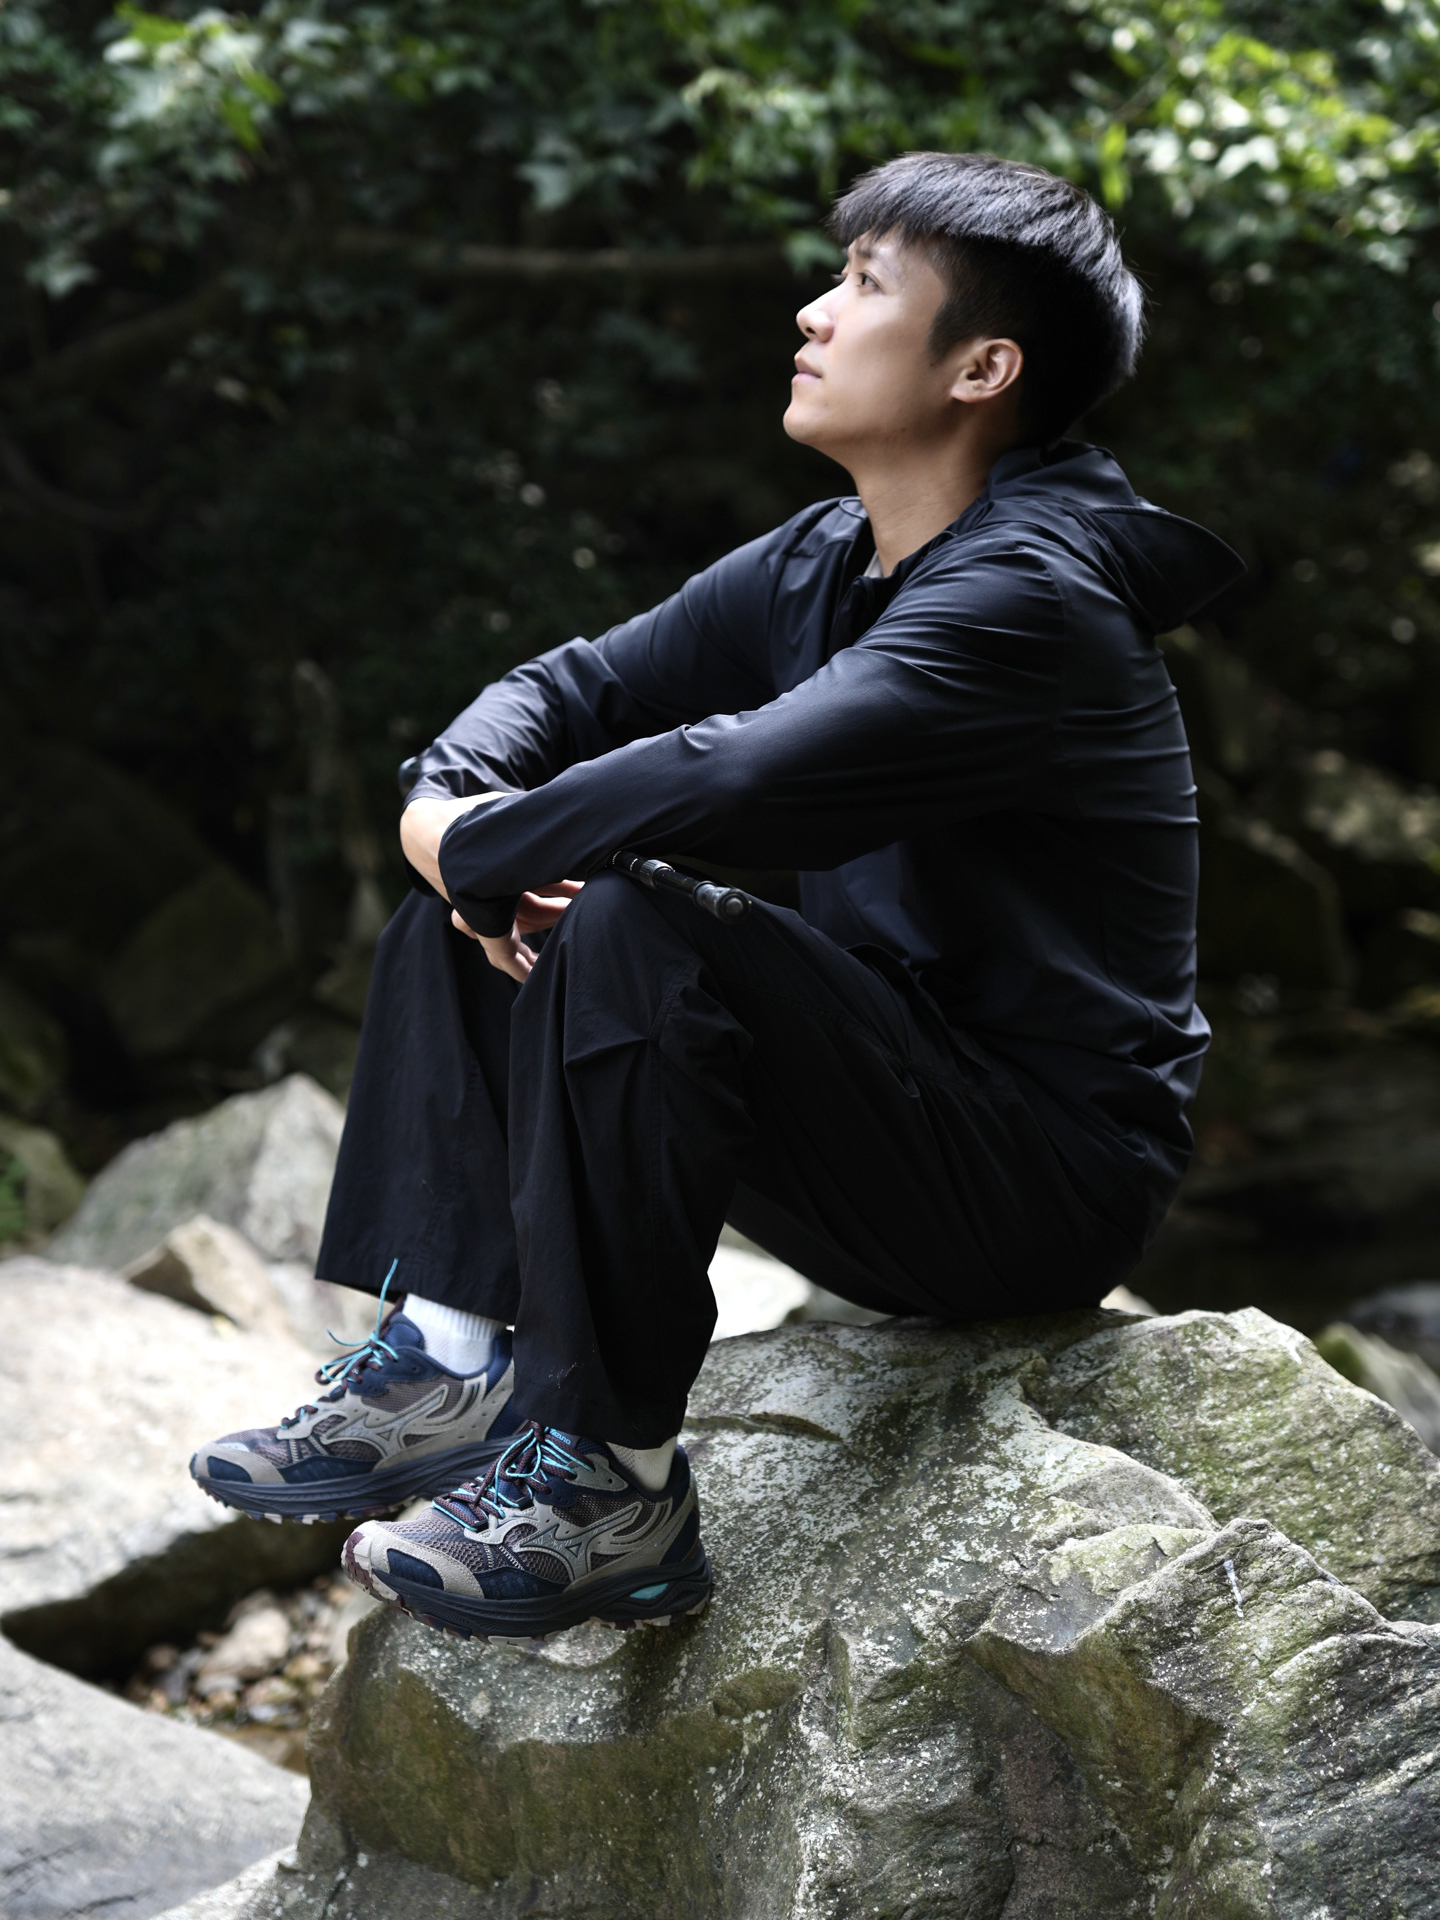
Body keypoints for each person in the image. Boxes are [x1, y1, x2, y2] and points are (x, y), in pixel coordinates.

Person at [190, 151, 1241, 1643]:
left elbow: (734, 774)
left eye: (865, 285)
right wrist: (447, 818)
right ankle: (449, 1362)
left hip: (1040, 1182)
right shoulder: (829, 558)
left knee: (623, 914)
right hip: (874, 1111)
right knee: (487, 910)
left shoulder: (1035, 598)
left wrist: (484, 847)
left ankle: (609, 1488)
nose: (814, 311)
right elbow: (571, 689)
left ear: (983, 368)